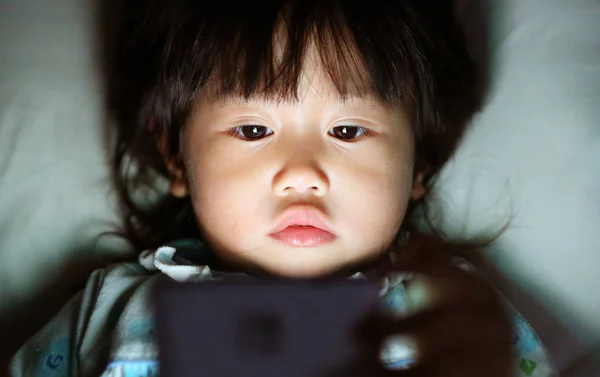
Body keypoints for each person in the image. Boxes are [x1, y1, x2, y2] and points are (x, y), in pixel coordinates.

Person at [9, 1, 556, 376]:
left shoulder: (449, 310)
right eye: (253, 130)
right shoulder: (110, 309)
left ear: (417, 166)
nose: (302, 172)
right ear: (177, 157)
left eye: (347, 130)